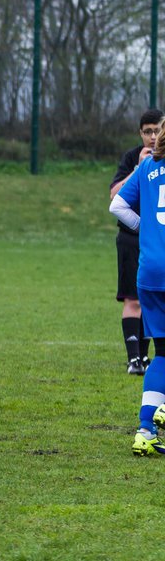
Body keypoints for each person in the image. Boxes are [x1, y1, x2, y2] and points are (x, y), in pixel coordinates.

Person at [111, 132, 165, 455]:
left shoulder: (146, 168)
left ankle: (145, 431)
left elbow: (117, 205)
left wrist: (144, 227)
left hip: (149, 272)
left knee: (162, 353)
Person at [110, 109, 162, 375]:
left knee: (150, 299)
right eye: (148, 131)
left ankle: (149, 356)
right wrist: (138, 169)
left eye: (157, 130)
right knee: (134, 298)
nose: (153, 137)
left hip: (156, 243)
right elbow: (114, 196)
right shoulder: (133, 158)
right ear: (141, 133)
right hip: (132, 239)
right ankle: (134, 359)